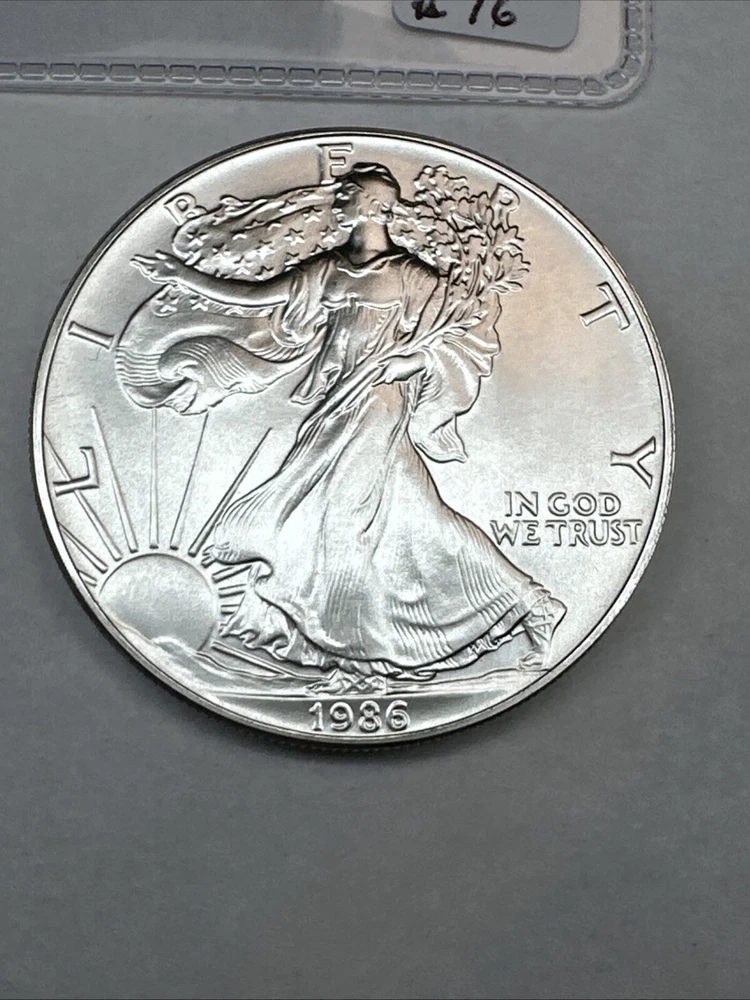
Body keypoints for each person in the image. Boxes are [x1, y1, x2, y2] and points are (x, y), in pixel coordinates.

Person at [128, 163, 565, 685]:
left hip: (377, 402)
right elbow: (256, 297)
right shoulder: (327, 269)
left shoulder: (411, 276)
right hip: (335, 402)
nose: (336, 203)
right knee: (413, 518)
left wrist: (413, 360)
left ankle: (360, 651)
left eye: (346, 196)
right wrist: (184, 277)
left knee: (340, 519)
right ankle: (528, 604)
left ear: (374, 208)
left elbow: (463, 333)